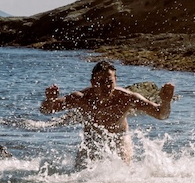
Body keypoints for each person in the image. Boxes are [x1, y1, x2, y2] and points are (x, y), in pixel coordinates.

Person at [40, 61, 175, 167]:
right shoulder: (81, 98)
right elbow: (46, 110)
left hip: (119, 139)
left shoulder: (127, 98)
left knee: (122, 175)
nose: (106, 86)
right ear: (93, 82)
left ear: (115, 80)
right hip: (91, 141)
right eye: (100, 82)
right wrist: (49, 100)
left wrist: (166, 101)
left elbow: (161, 115)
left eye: (109, 81)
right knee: (78, 176)